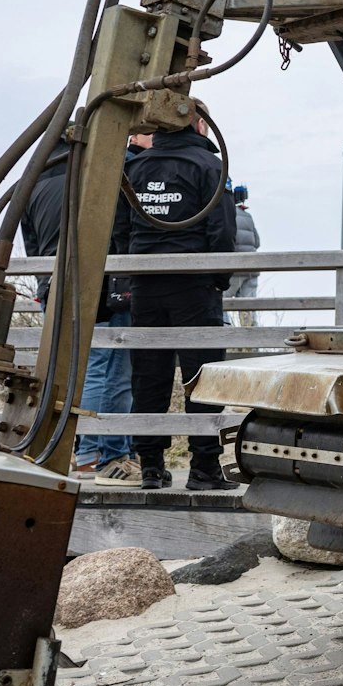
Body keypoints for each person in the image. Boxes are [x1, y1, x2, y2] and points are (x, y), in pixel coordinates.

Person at [124, 116, 239, 491]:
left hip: (144, 283)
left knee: (148, 376)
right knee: (202, 377)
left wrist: (130, 273)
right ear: (200, 125)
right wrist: (219, 278)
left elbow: (119, 227)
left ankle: (150, 466)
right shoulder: (209, 166)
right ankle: (204, 468)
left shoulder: (134, 167)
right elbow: (222, 230)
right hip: (194, 284)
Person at [16, 138, 135, 481]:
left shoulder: (33, 179)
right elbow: (116, 231)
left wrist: (44, 285)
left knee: (63, 371)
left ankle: (69, 449)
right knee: (104, 370)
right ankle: (100, 455)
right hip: (99, 286)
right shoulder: (101, 169)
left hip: (52, 289)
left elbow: (32, 244)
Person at [226, 185, 260, 327]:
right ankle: (251, 338)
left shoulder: (227, 214)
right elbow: (257, 242)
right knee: (248, 308)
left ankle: (226, 334)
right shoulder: (248, 216)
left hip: (234, 268)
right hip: (251, 268)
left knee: (222, 302)